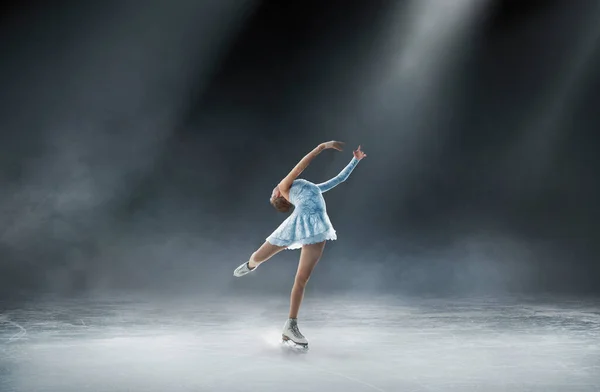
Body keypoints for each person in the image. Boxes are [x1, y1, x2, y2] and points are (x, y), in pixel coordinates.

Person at [233, 141, 367, 348]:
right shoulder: (285, 187)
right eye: (273, 192)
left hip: (318, 228)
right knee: (259, 256)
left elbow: (340, 179)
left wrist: (355, 160)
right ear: (278, 195)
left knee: (302, 278)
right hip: (297, 224)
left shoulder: (313, 188)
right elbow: (299, 167)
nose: (274, 189)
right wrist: (322, 147)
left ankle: (291, 326)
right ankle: (251, 264)